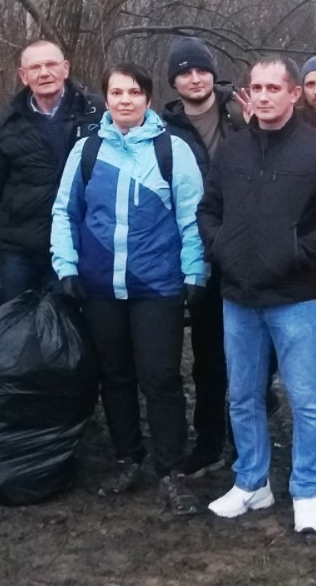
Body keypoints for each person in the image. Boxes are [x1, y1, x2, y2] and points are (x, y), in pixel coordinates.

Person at [198, 57, 316, 533]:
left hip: (294, 297)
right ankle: (251, 482)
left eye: (275, 88)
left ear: (294, 95)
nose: (264, 96)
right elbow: (208, 210)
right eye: (257, 87)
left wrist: (295, 252)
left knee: (306, 397)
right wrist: (222, 247)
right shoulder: (231, 152)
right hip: (238, 297)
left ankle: (306, 490)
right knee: (243, 396)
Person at [51, 62, 206, 516]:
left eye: (134, 92)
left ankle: (172, 471)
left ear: (148, 98)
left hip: (157, 286)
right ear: (106, 98)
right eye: (116, 92)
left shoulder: (172, 150)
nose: (124, 100)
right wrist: (67, 266)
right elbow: (64, 212)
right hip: (99, 288)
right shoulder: (86, 150)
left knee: (160, 379)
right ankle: (127, 457)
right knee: (114, 377)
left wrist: (196, 273)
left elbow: (192, 217)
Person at [161, 36, 245, 478]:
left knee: (251, 352)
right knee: (209, 355)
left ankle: (246, 438)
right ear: (173, 81)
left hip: (248, 248)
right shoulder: (162, 128)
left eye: (201, 69)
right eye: (185, 71)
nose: (195, 78)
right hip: (197, 251)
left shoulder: (241, 111)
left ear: (213, 73)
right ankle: (209, 441)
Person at [0, 41, 103, 306]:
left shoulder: (96, 112)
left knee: (70, 328)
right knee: (17, 329)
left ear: (65, 69)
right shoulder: (8, 123)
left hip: (80, 245)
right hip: (20, 250)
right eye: (36, 67)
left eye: (51, 64)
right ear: (23, 75)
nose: (44, 73)